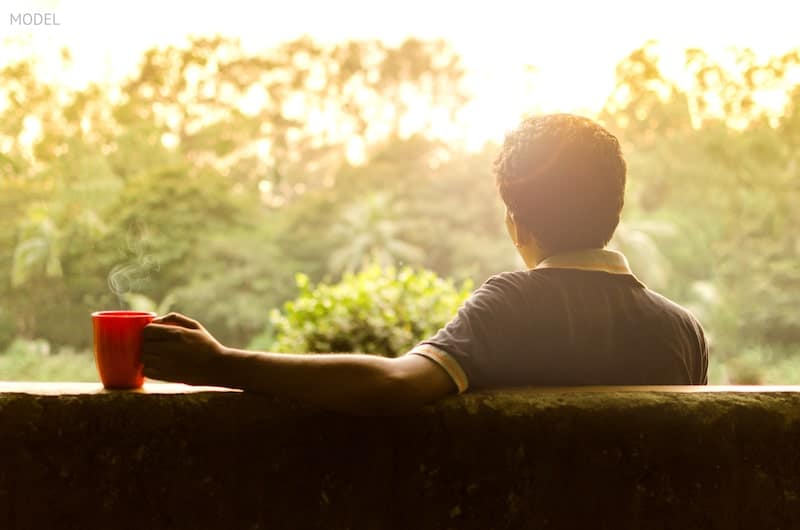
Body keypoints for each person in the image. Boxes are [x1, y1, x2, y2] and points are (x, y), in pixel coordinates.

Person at [142, 114, 708, 414]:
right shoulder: (684, 332)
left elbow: (393, 384)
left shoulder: (511, 305)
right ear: (615, 207)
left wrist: (220, 364)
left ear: (517, 224)